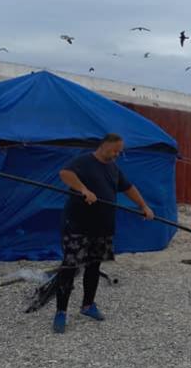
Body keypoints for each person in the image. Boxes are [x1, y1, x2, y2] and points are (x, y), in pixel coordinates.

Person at [52, 133, 154, 334]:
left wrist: (143, 206)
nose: (117, 154)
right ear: (104, 146)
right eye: (115, 150)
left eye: (119, 151)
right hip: (78, 226)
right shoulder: (83, 161)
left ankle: (88, 305)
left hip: (102, 227)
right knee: (70, 267)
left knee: (94, 266)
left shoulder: (113, 168)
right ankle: (61, 312)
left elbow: (128, 187)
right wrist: (83, 189)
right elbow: (65, 173)